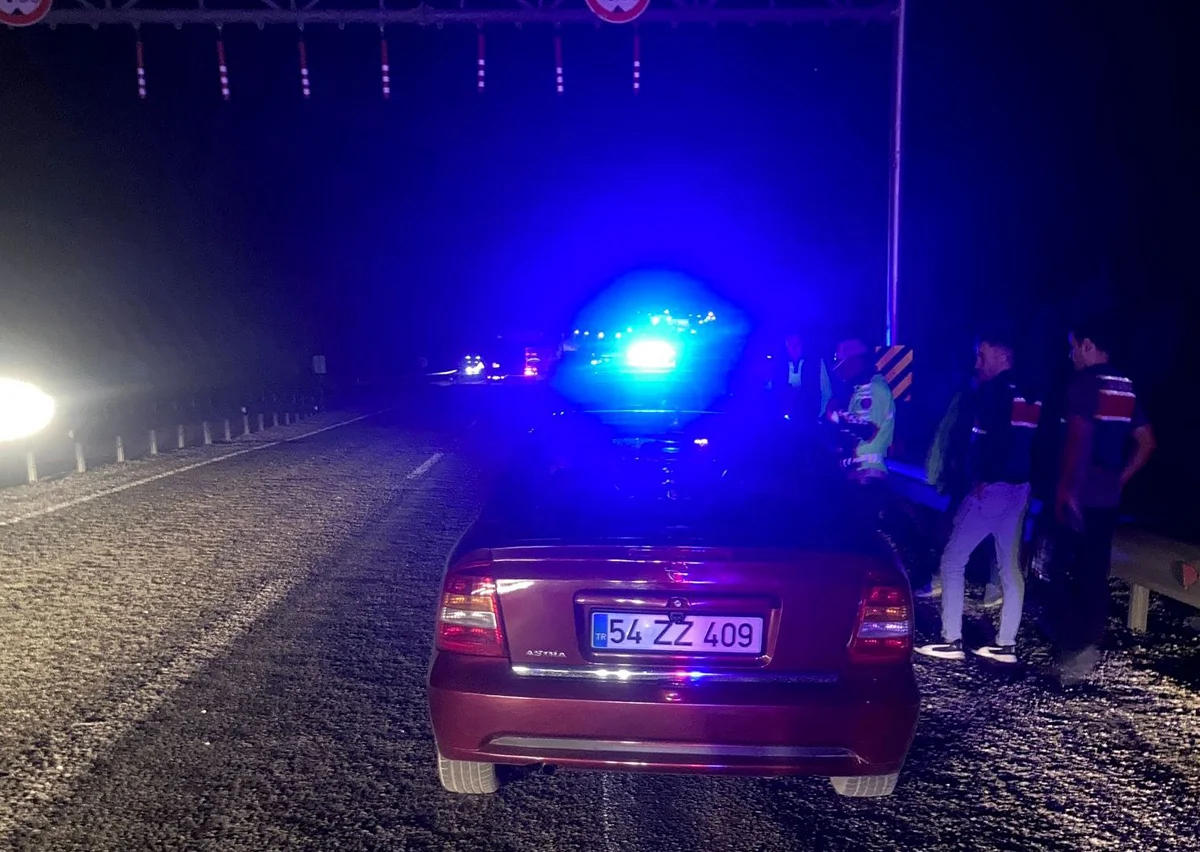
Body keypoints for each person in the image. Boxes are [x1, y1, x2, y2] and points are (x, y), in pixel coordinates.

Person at [915, 330, 1040, 664]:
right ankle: (1006, 644)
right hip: (1021, 489)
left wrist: (982, 477)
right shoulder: (1032, 392)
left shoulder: (994, 391)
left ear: (1000, 354)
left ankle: (951, 640)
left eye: (981, 355)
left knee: (952, 559)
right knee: (1009, 566)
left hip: (991, 488)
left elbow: (989, 441)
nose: (977, 363)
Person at [1050, 317, 1156, 684]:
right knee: (1095, 572)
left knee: (1054, 570)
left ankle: (1073, 648)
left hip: (1080, 495)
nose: (1071, 355)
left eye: (1073, 347)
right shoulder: (1125, 386)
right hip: (1107, 499)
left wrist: (1067, 489)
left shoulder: (1083, 383)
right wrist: (1120, 479)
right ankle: (1088, 646)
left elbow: (1078, 437)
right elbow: (1147, 442)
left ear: (1088, 345)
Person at [825, 338, 895, 482]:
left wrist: (836, 417)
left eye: (844, 365)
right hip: (857, 470)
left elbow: (868, 430)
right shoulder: (860, 389)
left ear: (856, 363)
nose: (841, 372)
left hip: (867, 473)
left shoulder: (875, 390)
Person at [768, 331, 833, 426]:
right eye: (790, 344)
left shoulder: (816, 364)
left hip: (809, 418)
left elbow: (826, 392)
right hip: (782, 422)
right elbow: (772, 391)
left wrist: (820, 415)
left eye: (797, 344)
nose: (793, 348)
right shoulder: (779, 366)